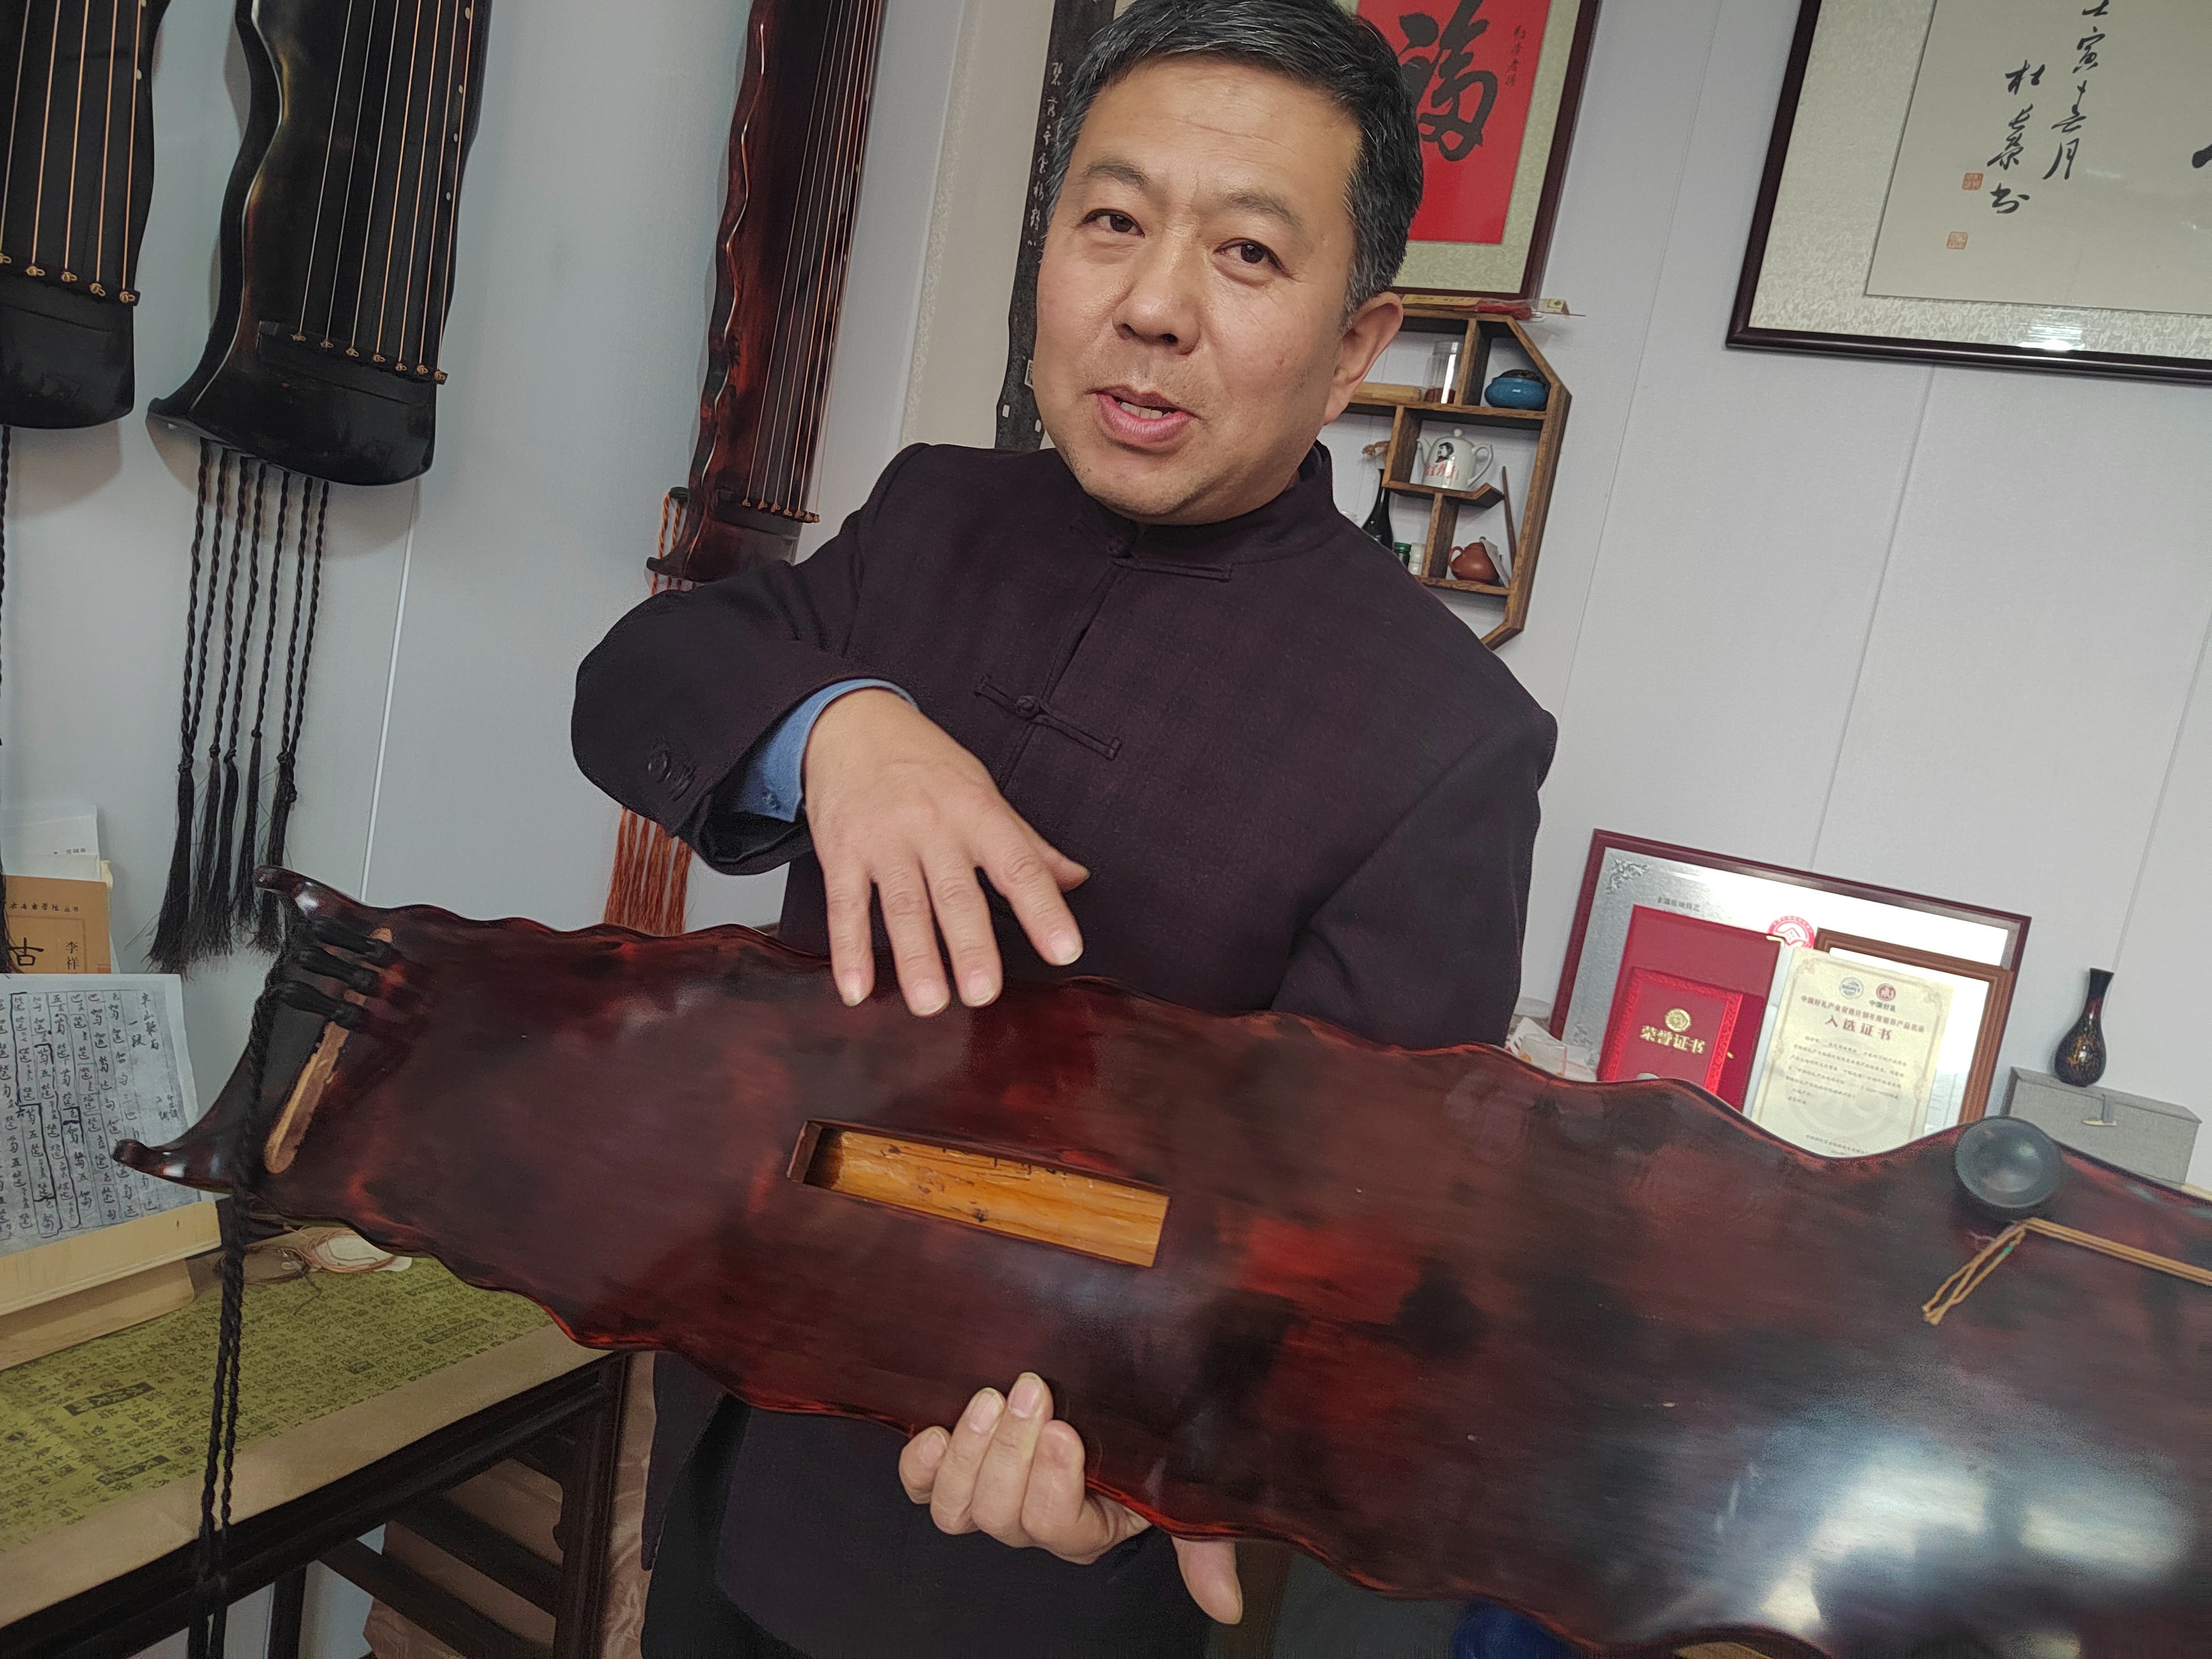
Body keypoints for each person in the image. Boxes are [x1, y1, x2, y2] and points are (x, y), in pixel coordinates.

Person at [571, 1, 1555, 1653]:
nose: (1152, 307)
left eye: (1248, 255)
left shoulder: (1447, 736)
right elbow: (639, 681)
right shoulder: (935, 509)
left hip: (1023, 1550)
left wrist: (1155, 1468)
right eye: (1111, 222)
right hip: (736, 1429)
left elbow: (1353, 1251)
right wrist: (842, 730)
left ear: (1356, 343)